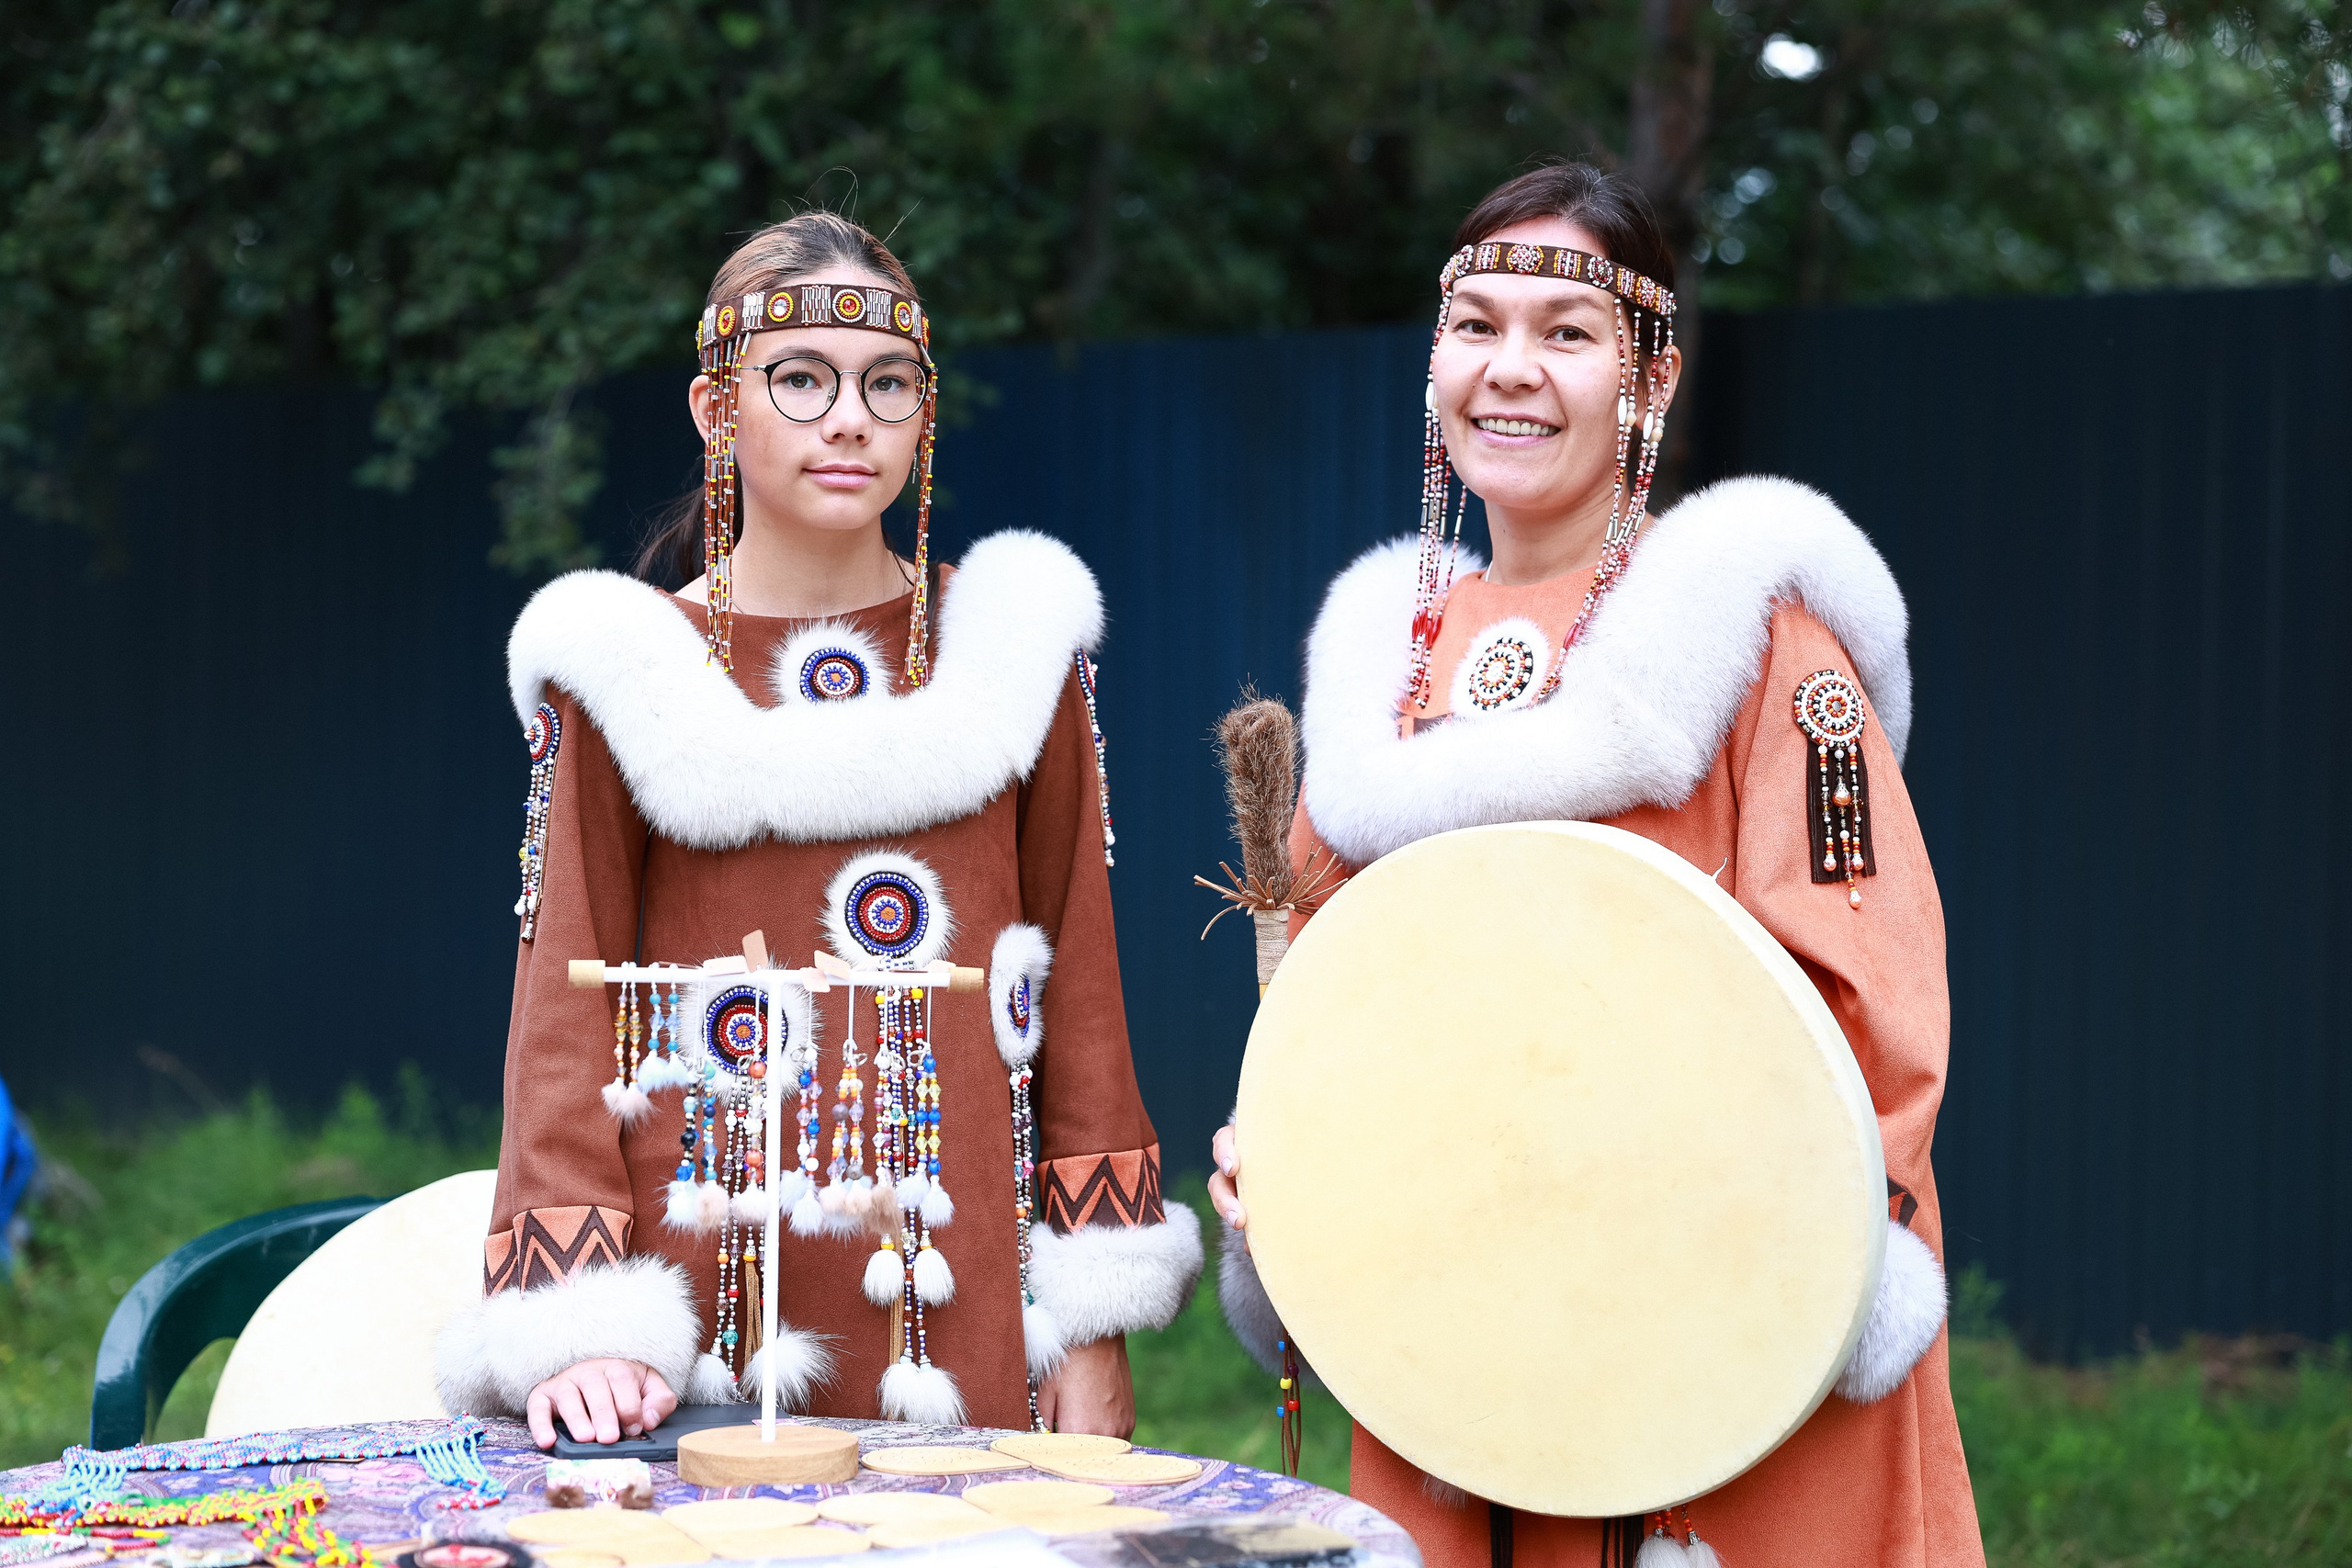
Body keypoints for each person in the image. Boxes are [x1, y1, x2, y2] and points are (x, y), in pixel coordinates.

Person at [1208, 164, 1984, 1567]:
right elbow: (1331, 1012)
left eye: (1566, 333)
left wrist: (1775, 1284)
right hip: (1452, 1320)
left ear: (1652, 378)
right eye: (1477, 326)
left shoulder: (1759, 647)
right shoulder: (1383, 681)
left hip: (1718, 1332)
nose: (1511, 369)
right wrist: (1293, 1172)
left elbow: (1868, 1006)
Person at [435, 212, 1200, 1450]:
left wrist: (1094, 1318)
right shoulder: (625, 667)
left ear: (922, 413)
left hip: (963, 1287)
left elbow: (1080, 986)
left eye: (887, 384)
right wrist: (579, 1323)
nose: (851, 420)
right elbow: (563, 1010)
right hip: (700, 1289)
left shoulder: (1010, 650)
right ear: (716, 409)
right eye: (801, 379)